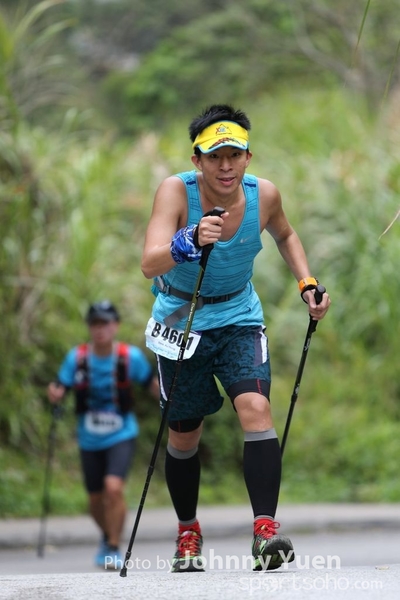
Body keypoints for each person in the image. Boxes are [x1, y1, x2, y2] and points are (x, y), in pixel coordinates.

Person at [141, 103, 331, 573]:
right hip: (181, 321)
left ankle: (264, 531)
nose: (225, 166)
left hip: (239, 316)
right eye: (215, 157)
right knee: (185, 434)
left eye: (234, 155)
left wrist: (307, 283)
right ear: (197, 160)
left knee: (256, 408)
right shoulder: (175, 191)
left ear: (248, 157)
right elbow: (149, 263)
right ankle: (188, 531)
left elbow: (286, 235)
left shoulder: (263, 194)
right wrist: (187, 241)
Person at [47, 300, 159, 569]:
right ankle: (108, 535)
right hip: (89, 436)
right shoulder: (76, 358)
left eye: (105, 323)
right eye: (95, 323)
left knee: (113, 487)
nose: (100, 329)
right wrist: (55, 394)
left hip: (122, 433)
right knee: (95, 500)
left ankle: (113, 547)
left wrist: (171, 399)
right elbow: (59, 386)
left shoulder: (130, 357)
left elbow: (153, 385)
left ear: (115, 326)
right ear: (89, 327)